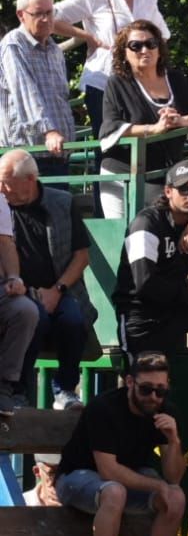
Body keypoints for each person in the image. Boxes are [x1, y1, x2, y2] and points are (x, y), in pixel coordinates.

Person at [54, 352, 187, 536]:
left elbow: (174, 477)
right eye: (146, 389)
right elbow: (108, 470)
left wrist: (173, 441)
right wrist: (156, 485)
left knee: (177, 497)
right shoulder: (105, 408)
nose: (153, 397)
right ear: (129, 382)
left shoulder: (165, 411)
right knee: (115, 490)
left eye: (160, 391)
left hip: (128, 480)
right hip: (77, 477)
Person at [53, 0, 171, 143]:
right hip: (103, 81)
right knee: (109, 143)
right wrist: (86, 36)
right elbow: (50, 18)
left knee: (145, 142)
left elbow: (163, 36)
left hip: (141, 83)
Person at [0, 150, 91, 410]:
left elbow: (82, 257)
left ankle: (65, 391)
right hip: (17, 291)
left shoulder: (62, 202)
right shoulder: (1, 206)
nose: (1, 188)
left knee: (73, 320)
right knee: (30, 319)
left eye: (6, 181)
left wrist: (57, 290)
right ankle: (17, 392)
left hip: (59, 290)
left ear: (30, 179)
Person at [112, 161, 188, 367]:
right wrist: (187, 295)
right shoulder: (146, 224)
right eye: (184, 188)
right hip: (142, 319)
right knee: (143, 385)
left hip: (173, 312)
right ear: (168, 191)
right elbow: (144, 284)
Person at [100, 22, 188, 218]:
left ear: (159, 49)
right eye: (136, 46)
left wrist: (181, 121)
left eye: (151, 44)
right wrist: (153, 129)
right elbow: (111, 127)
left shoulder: (175, 79)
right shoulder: (117, 83)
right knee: (124, 239)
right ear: (124, 53)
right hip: (123, 175)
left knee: (165, 230)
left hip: (168, 176)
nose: (145, 50)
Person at [1, 0, 73, 180]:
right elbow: (25, 92)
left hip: (58, 152)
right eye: (38, 14)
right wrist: (49, 131)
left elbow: (61, 97)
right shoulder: (14, 44)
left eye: (49, 12)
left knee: (58, 207)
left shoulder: (54, 49)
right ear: (21, 15)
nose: (46, 19)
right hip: (27, 155)